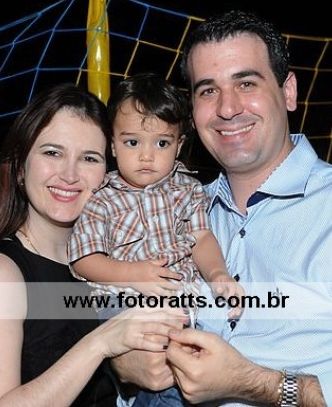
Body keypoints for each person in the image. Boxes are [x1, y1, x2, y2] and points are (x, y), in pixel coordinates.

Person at [111, 10, 332, 406]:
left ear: (288, 91)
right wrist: (123, 362)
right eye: (207, 90)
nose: (227, 108)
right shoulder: (175, 210)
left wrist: (255, 383)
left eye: (246, 83)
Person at [0, 83, 186, 407]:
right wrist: (100, 344)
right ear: (20, 166)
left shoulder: (116, 264)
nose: (70, 174)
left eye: (89, 158)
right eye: (53, 153)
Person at [68, 72, 244, 407]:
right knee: (159, 363)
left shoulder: (187, 189)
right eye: (132, 142)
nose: (146, 156)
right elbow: (83, 259)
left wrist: (218, 274)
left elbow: (201, 237)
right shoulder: (101, 198)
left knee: (198, 358)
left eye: (161, 143)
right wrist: (133, 274)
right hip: (121, 302)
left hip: (181, 302)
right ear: (113, 145)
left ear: (179, 145)